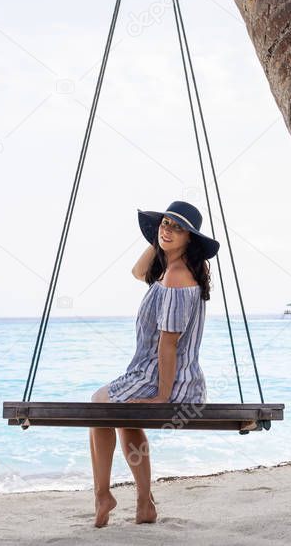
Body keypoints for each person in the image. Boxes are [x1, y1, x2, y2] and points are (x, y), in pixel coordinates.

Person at [88, 200, 220, 527]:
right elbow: (136, 272)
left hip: (169, 380)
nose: (168, 230)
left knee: (98, 406)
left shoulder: (177, 277)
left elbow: (169, 343)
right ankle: (143, 504)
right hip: (153, 373)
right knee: (123, 417)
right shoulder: (168, 270)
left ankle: (105, 496)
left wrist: (162, 396)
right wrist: (157, 240)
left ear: (191, 238)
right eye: (164, 223)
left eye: (177, 227)